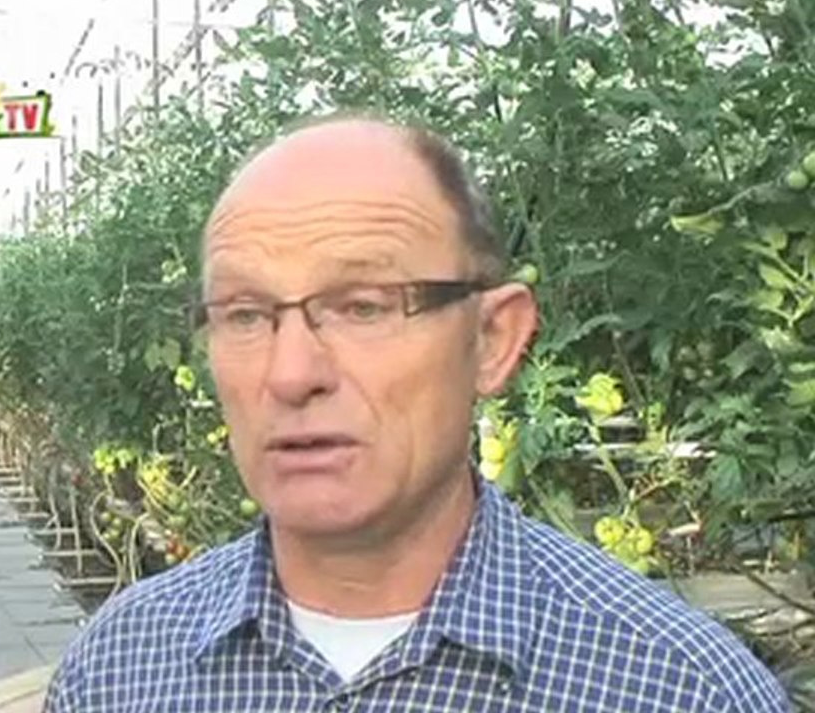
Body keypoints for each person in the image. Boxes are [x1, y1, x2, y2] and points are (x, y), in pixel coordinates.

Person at [44, 116, 789, 712]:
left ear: (493, 340)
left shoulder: (677, 687)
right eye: (245, 314)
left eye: (364, 307)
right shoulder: (119, 670)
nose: (292, 373)